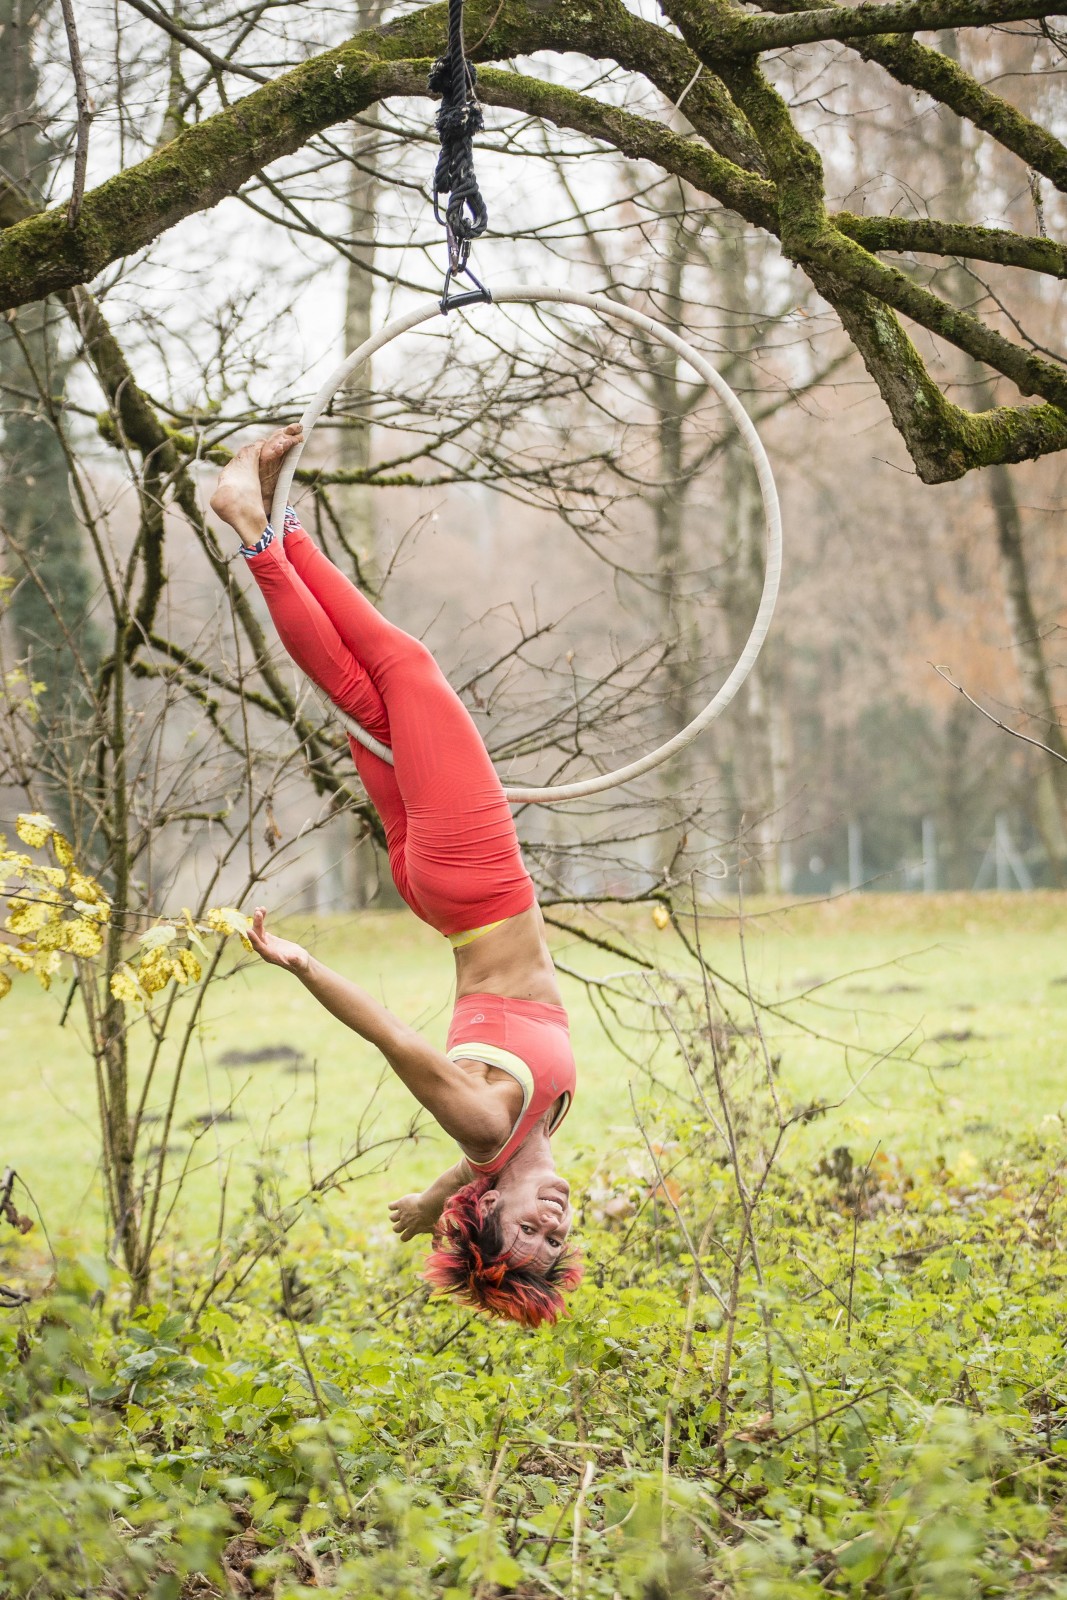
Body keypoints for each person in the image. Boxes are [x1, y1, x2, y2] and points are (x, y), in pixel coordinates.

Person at [209, 426, 582, 1327]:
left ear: (486, 1219)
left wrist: (303, 966)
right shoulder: (509, 1144)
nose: (555, 1227)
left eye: (529, 1238)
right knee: (367, 698)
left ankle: (257, 530)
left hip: (476, 883)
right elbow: (470, 1162)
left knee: (400, 668)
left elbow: (392, 1038)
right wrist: (426, 1205)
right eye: (558, 1246)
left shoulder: (493, 1127)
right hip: (443, 896)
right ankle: (270, 517)